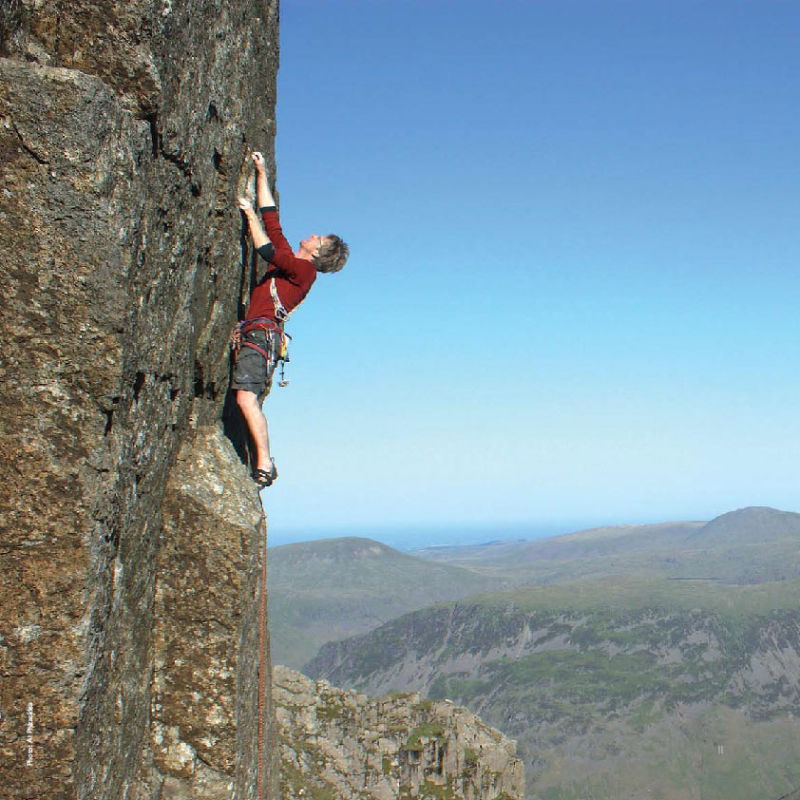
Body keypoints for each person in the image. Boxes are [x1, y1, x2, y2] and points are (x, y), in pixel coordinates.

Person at [233, 151, 349, 488]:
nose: (313, 235)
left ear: (317, 253)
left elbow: (265, 248)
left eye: (319, 239)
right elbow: (273, 220)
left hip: (260, 337)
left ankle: (265, 464)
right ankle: (263, 461)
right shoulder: (292, 262)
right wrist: (261, 171)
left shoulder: (303, 270)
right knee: (244, 397)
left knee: (245, 397)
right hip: (257, 334)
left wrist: (246, 213)